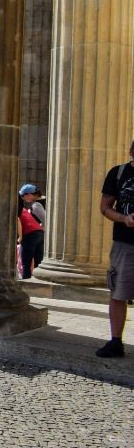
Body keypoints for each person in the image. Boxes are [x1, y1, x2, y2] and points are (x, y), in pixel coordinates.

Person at [95, 140, 134, 358]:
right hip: (124, 242)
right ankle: (116, 341)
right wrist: (124, 218)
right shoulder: (118, 173)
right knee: (118, 292)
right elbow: (105, 208)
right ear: (131, 152)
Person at [16, 183, 45, 280]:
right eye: (34, 196)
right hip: (40, 233)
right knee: (38, 262)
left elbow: (17, 219)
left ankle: (26, 282)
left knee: (26, 262)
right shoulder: (23, 206)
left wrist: (20, 237)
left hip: (30, 234)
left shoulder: (21, 205)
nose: (34, 199)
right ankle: (38, 281)